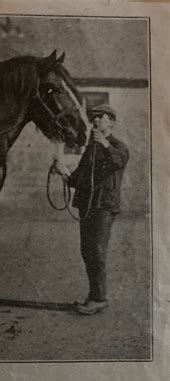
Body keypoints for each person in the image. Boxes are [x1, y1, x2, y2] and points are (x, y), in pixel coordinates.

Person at [58, 104, 130, 315]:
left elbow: (119, 161)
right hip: (87, 205)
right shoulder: (91, 148)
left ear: (111, 123)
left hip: (104, 206)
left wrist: (105, 144)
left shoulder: (118, 146)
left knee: (97, 251)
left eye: (101, 117)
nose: (96, 121)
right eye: (94, 118)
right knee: (88, 251)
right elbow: (79, 178)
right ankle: (94, 295)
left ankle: (99, 298)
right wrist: (64, 173)